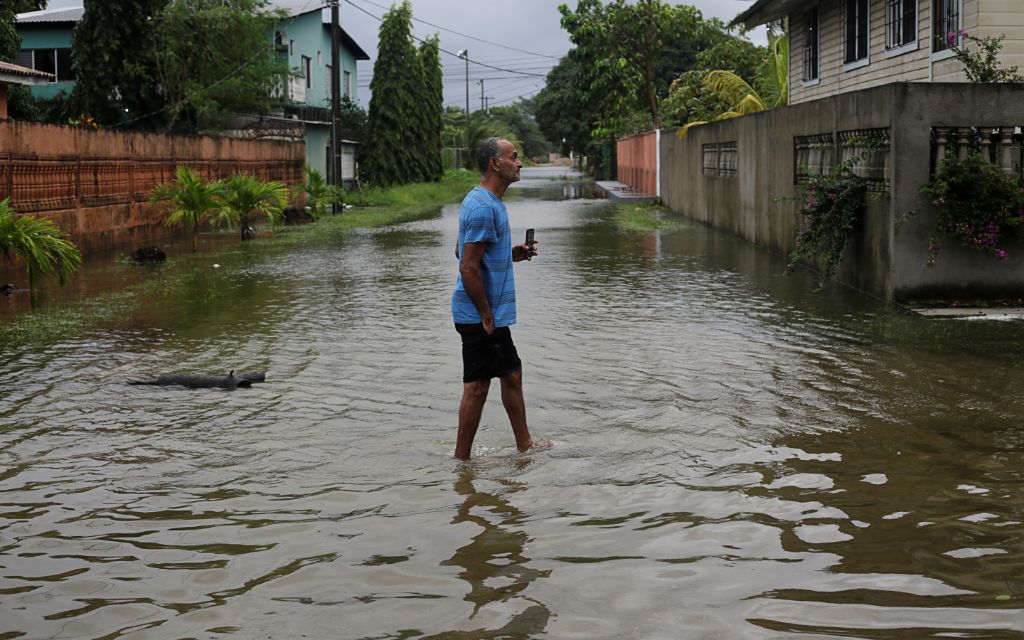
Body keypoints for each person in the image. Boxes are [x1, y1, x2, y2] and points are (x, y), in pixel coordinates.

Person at [451, 137, 544, 460]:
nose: (519, 164)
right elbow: (467, 266)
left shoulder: (491, 204)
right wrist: (486, 315)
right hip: (480, 315)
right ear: (495, 164)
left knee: (511, 374)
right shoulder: (481, 207)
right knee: (477, 387)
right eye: (514, 158)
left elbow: (465, 253)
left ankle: (524, 444)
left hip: (488, 314)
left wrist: (512, 254)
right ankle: (461, 461)